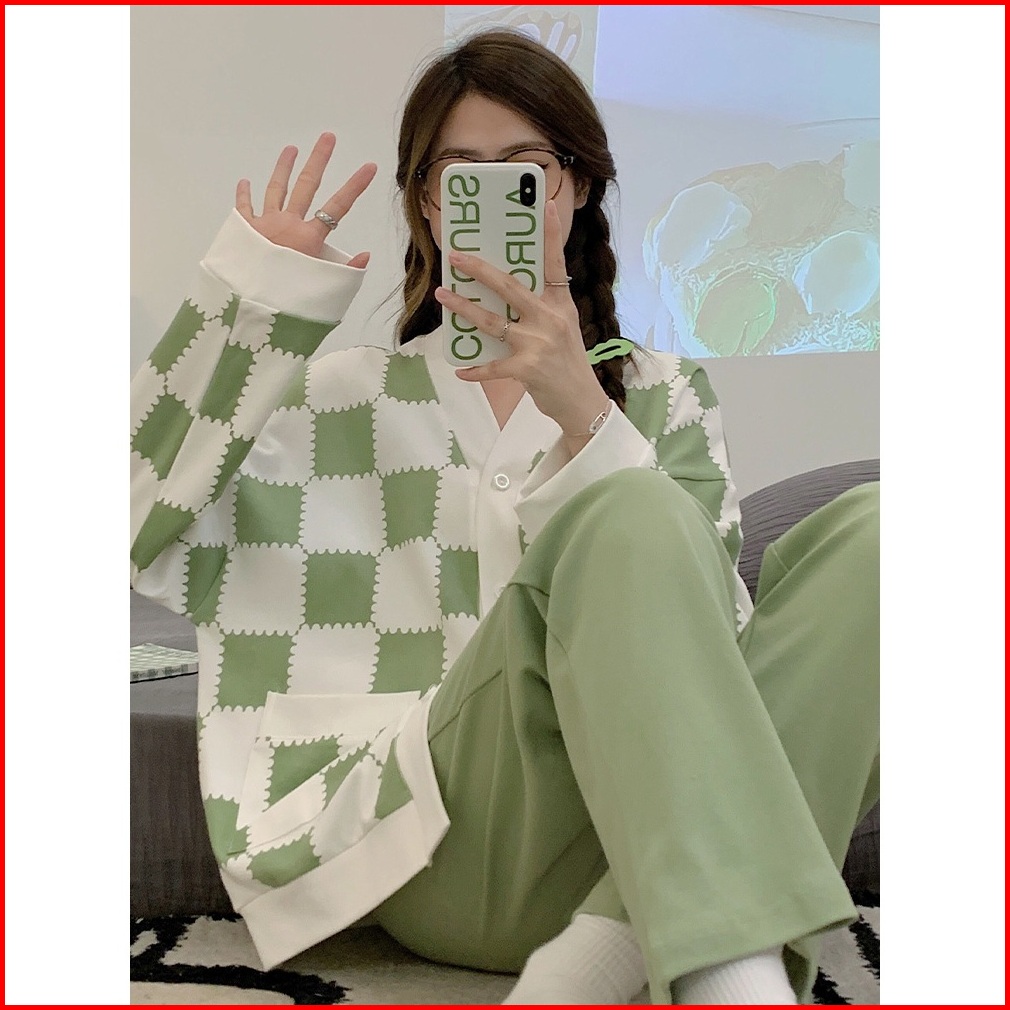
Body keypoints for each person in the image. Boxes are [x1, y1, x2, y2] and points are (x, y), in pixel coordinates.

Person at [130, 28, 879, 1005]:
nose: (494, 196)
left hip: (641, 834)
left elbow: (712, 661)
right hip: (430, 842)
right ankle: (727, 975)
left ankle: (606, 950)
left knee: (881, 537)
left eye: (525, 169)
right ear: (427, 204)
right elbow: (134, 530)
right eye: (462, 176)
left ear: (574, 188)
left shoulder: (665, 392)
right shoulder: (333, 397)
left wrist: (586, 416)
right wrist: (253, 305)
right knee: (631, 506)